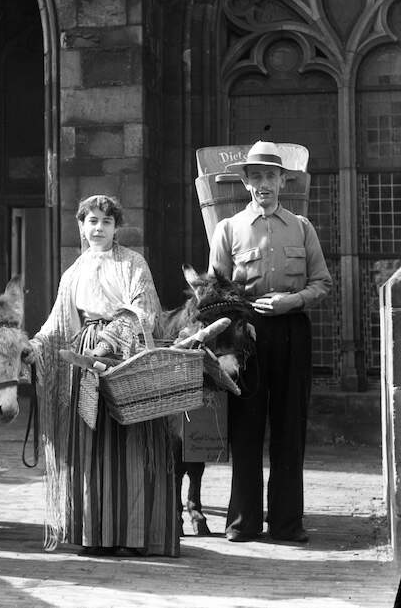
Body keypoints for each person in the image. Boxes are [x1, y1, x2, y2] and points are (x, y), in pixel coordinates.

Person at [30, 194, 180, 557]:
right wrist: (32, 346)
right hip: (84, 363)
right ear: (81, 226)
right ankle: (94, 535)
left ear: (116, 227)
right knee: (90, 444)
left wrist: (111, 341)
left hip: (124, 360)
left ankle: (134, 536)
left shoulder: (132, 264)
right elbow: (57, 323)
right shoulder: (73, 272)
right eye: (92, 221)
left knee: (130, 443)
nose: (98, 228)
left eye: (106, 222)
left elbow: (143, 311)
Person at [209, 140, 331, 543]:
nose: (264, 183)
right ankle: (243, 522)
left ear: (283, 180)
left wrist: (290, 301)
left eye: (271, 176)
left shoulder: (302, 227)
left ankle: (286, 524)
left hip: (292, 333)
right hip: (246, 337)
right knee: (245, 428)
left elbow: (322, 283)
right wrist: (238, 318)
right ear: (245, 182)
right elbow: (213, 294)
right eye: (256, 176)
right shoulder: (228, 230)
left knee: (289, 428)